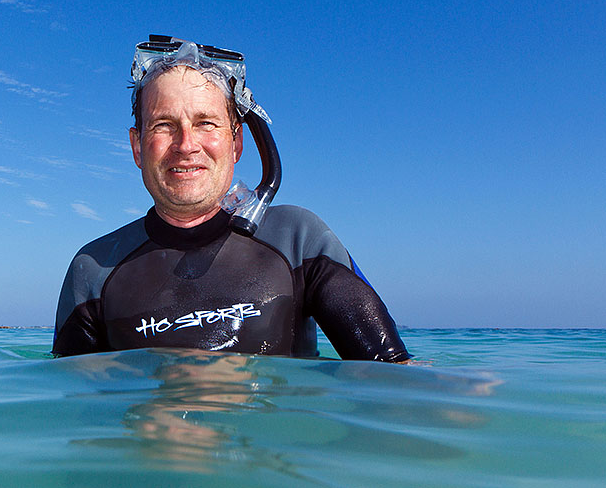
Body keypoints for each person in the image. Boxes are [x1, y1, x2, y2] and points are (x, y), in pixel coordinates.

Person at [52, 36, 410, 362]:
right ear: (136, 146)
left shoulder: (299, 239)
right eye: (163, 124)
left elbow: (396, 377)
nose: (186, 145)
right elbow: (75, 417)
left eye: (206, 123)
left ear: (237, 143)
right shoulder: (93, 269)